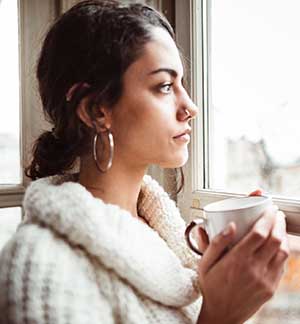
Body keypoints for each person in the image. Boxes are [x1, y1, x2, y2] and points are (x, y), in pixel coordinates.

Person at [0, 1, 289, 323]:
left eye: (182, 84)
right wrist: (221, 316)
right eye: (165, 86)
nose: (190, 106)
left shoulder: (170, 240)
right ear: (96, 110)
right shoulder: (41, 266)